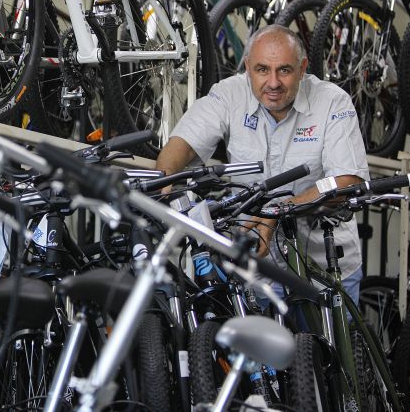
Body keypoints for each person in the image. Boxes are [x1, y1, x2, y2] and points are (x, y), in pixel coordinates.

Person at [156, 24, 369, 302]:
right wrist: (164, 182)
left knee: (331, 346)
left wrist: (278, 211)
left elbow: (348, 181)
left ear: (302, 68)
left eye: (284, 70)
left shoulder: (332, 102)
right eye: (262, 70)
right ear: (247, 67)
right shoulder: (229, 94)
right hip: (255, 273)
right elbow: (181, 144)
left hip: (324, 267)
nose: (273, 83)